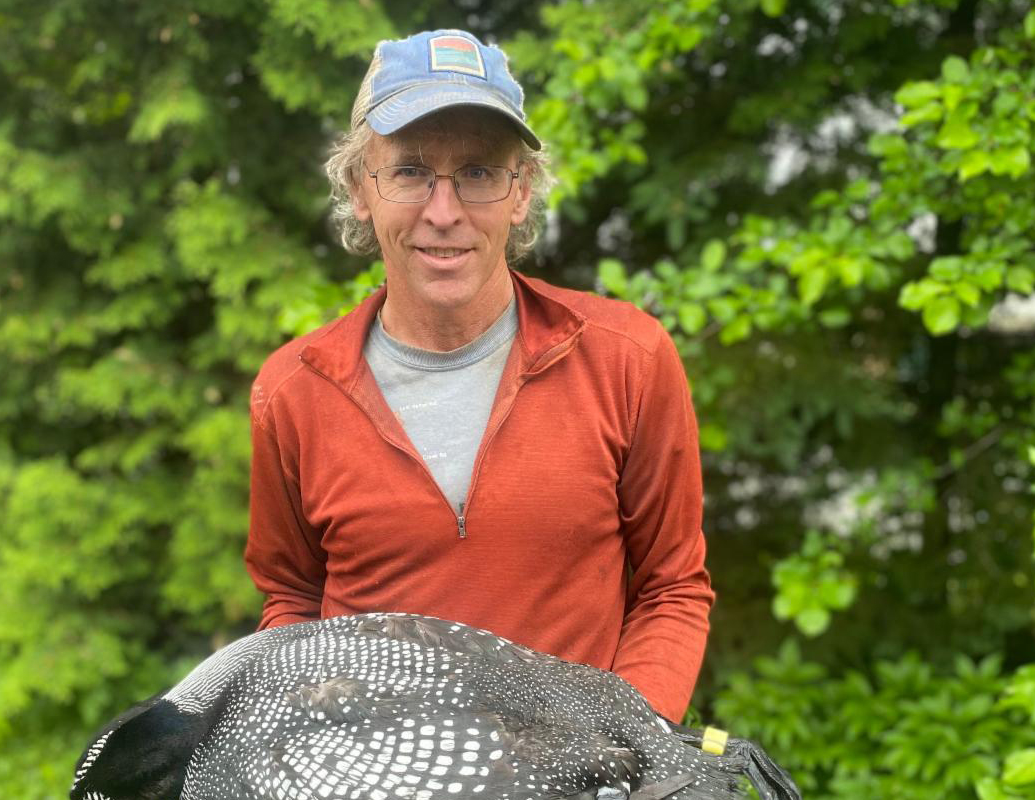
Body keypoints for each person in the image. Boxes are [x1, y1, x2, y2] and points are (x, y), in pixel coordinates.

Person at [244, 29, 713, 723]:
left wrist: (625, 748)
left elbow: (672, 588)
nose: (444, 212)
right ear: (359, 188)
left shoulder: (627, 360)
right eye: (409, 171)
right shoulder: (294, 391)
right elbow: (291, 599)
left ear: (520, 191)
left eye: (479, 173)